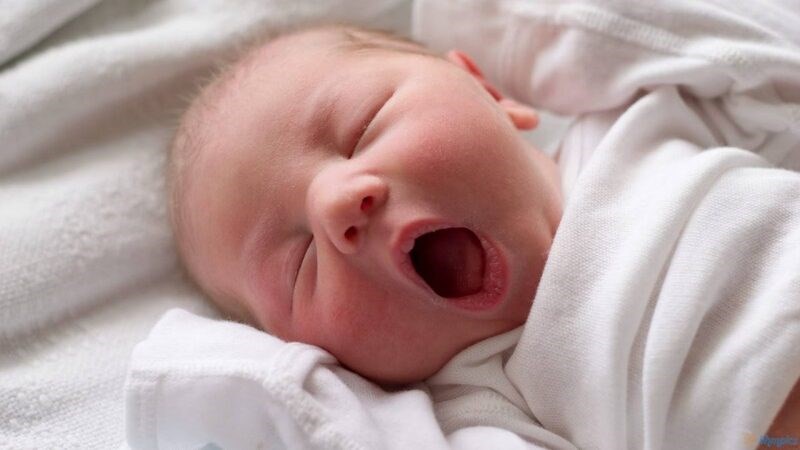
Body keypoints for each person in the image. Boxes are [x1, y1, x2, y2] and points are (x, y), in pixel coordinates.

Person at [168, 24, 562, 385]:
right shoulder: (468, 418)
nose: (334, 203)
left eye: (362, 129)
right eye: (300, 265)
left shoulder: (602, 132)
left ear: (487, 91)